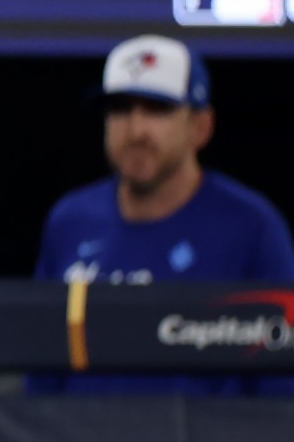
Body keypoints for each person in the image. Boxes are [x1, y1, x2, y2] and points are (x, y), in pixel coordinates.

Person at [32, 36, 294, 396]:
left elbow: (279, 392)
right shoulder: (70, 221)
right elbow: (41, 376)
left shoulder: (252, 229)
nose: (136, 130)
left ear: (200, 126)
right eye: (120, 109)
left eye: (157, 109)